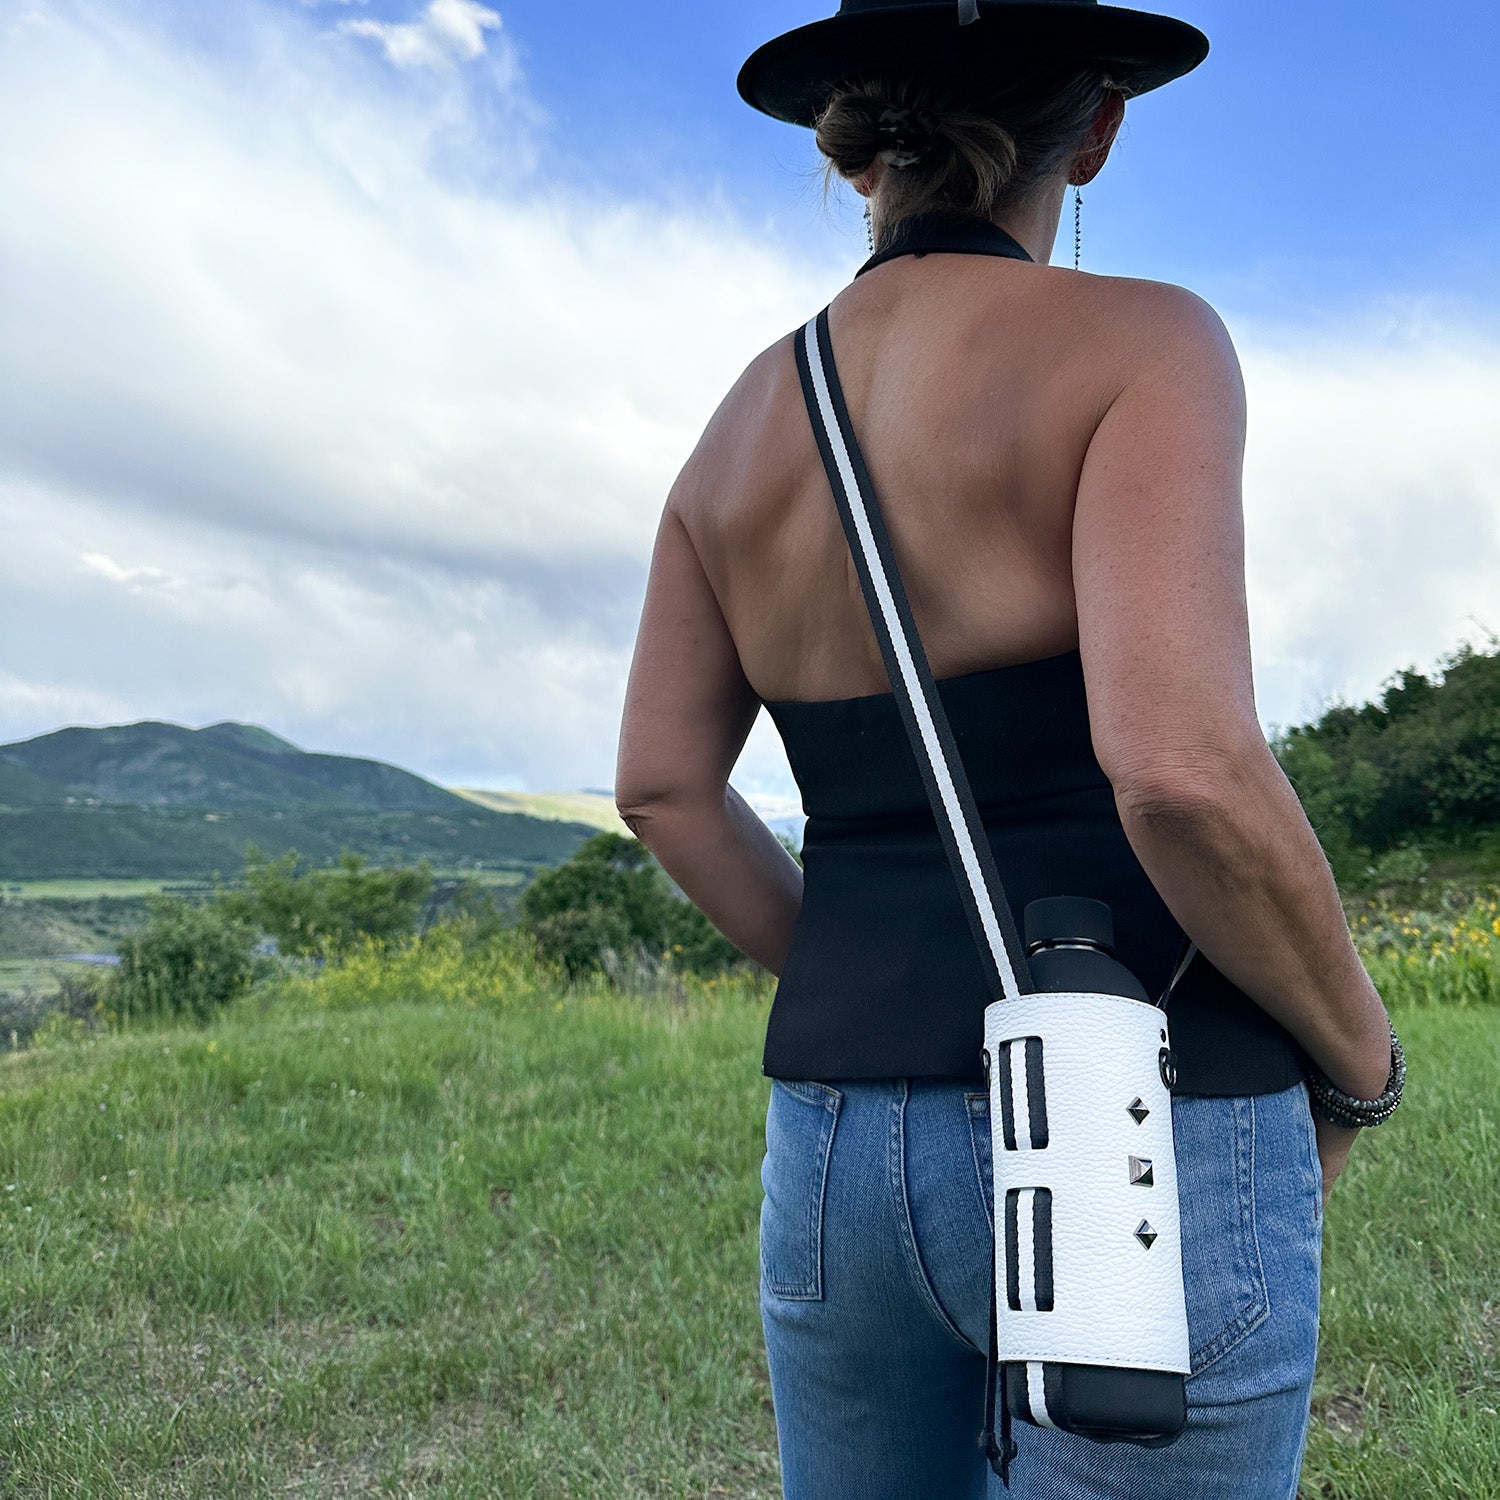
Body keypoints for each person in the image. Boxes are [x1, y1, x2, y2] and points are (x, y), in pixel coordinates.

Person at [613, 2, 1403, 1495]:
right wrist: (1358, 1062)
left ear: (856, 156)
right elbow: (1177, 767)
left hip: (837, 1142)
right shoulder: (1145, 344)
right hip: (1139, 1118)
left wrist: (865, 975)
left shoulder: (734, 432)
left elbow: (661, 786)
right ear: (1095, 124)